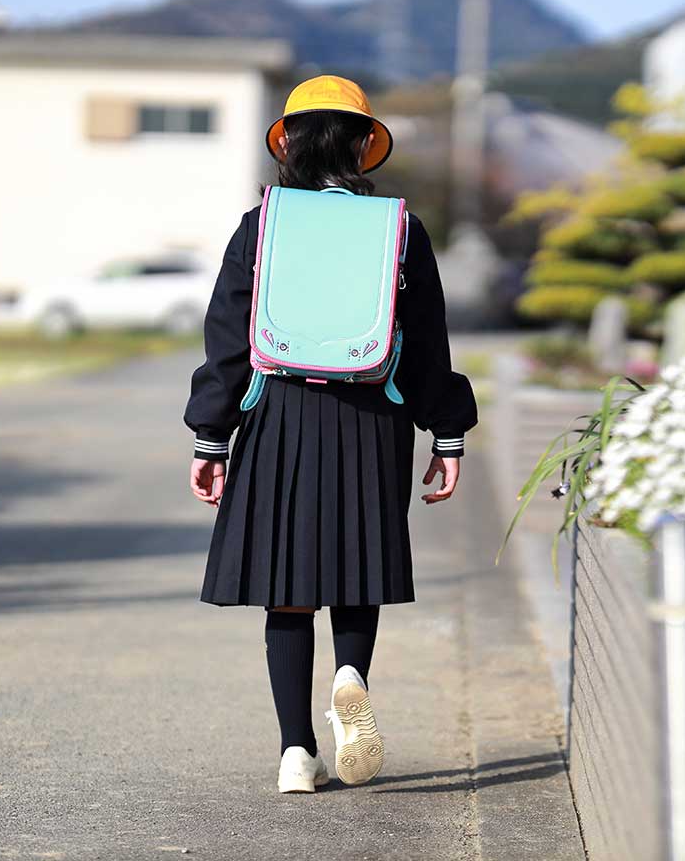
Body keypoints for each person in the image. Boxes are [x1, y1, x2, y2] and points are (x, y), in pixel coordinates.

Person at [183, 76, 477, 793]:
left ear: (288, 144)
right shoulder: (399, 230)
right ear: (359, 146)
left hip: (277, 413)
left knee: (285, 589)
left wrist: (210, 439)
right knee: (356, 573)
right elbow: (428, 342)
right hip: (373, 415)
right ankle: (350, 673)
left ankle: (294, 753)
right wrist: (447, 435)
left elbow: (228, 339)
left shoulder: (262, 225)